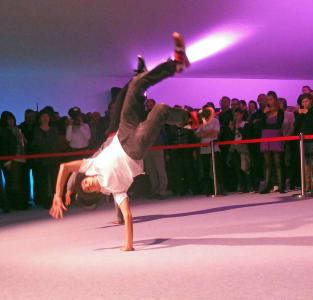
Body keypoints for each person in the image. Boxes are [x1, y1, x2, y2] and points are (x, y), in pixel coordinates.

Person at [49, 33, 214, 251]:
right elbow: (128, 215)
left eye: (85, 182)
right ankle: (190, 120)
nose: (87, 183)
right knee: (161, 109)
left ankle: (175, 64)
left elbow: (65, 168)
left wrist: (58, 194)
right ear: (96, 193)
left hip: (122, 133)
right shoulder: (114, 190)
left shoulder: (91, 167)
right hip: (134, 148)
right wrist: (129, 245)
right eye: (88, 188)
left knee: (136, 84)